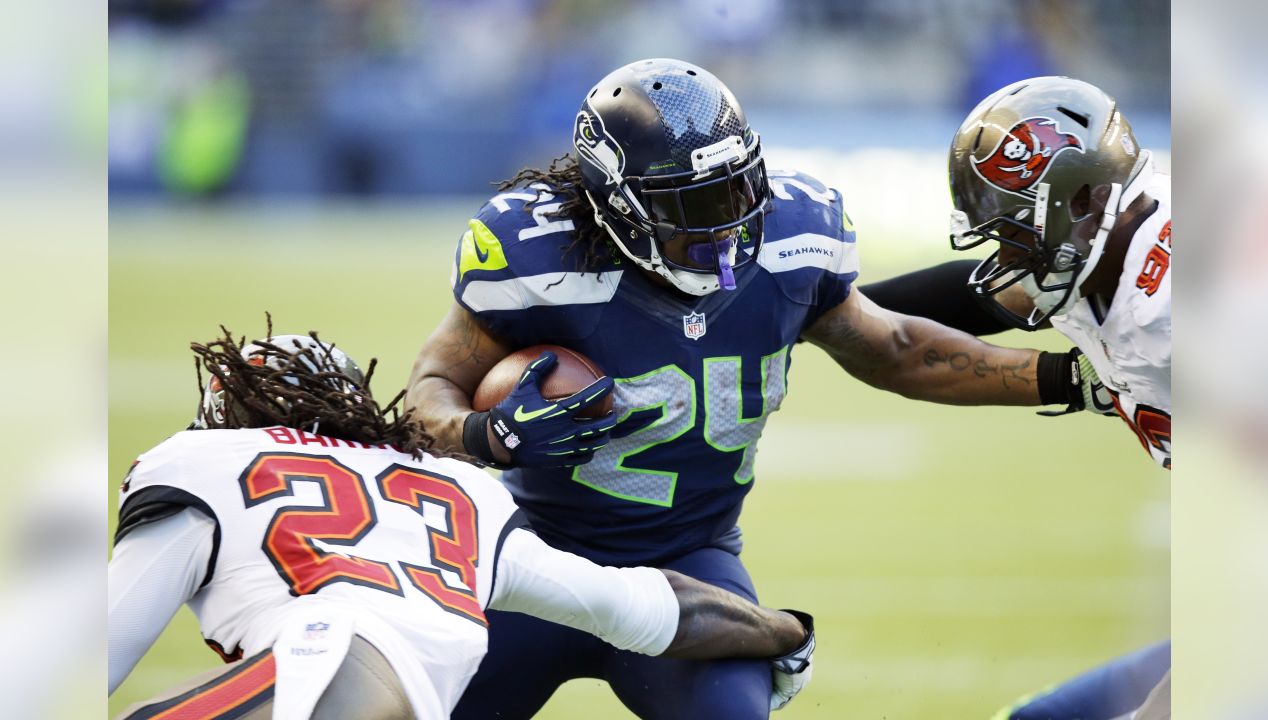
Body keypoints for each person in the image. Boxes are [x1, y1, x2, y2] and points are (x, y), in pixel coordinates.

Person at [406, 58, 1098, 720]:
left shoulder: (792, 235)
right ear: (615, 202)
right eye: (693, 203)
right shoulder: (533, 255)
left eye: (736, 190)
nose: (725, 225)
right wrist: (481, 433)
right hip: (533, 561)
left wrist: (1073, 378)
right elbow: (432, 386)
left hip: (691, 563)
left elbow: (900, 349)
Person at [108, 328, 817, 720]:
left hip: (323, 679)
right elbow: (642, 603)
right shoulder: (455, 489)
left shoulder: (207, 459)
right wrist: (786, 630)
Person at [942, 76, 1171, 719]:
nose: (1007, 256)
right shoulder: (1113, 248)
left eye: (1018, 230)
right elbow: (965, 301)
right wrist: (823, 310)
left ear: (1087, 203)